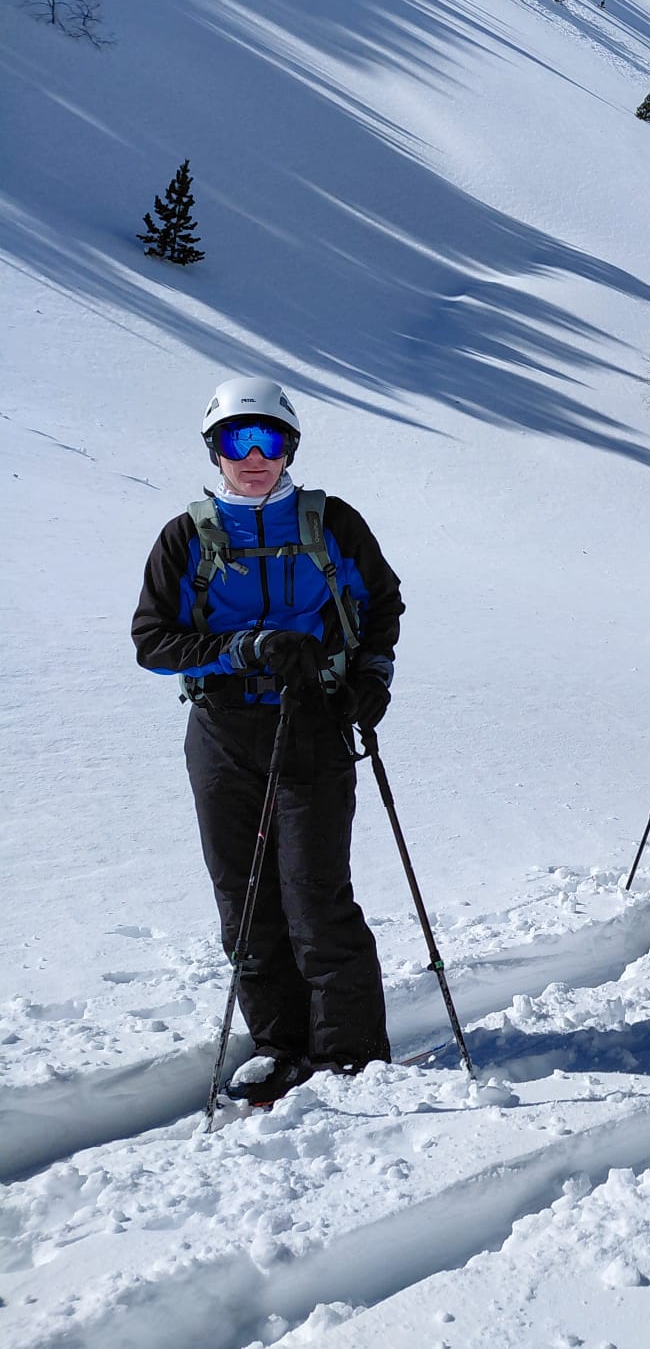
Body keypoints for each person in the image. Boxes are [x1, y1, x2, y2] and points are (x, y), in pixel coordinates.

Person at [131, 377, 402, 1105]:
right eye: (234, 442)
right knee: (243, 899)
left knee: (314, 892)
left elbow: (382, 603)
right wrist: (244, 647)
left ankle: (351, 1053)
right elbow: (152, 642)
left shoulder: (333, 523)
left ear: (290, 449)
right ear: (213, 451)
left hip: (313, 723)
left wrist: (372, 681)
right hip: (223, 731)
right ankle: (281, 1046)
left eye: (269, 441)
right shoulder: (185, 537)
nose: (253, 457)